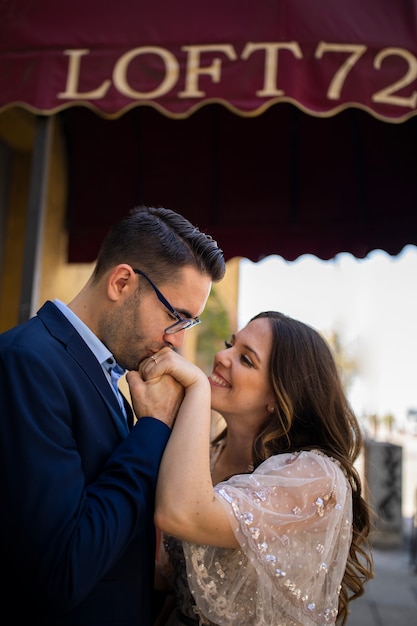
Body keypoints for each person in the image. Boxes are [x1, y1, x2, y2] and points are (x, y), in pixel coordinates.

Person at [0, 205, 225, 626]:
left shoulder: (113, 378)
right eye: (175, 317)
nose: (175, 342)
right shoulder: (28, 362)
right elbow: (62, 569)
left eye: (188, 325)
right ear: (122, 282)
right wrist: (154, 428)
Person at [129, 311, 374, 626]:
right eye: (231, 344)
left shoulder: (315, 476)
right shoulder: (205, 457)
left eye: (246, 359)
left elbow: (181, 514)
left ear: (279, 394)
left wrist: (197, 391)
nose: (221, 356)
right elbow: (171, 578)